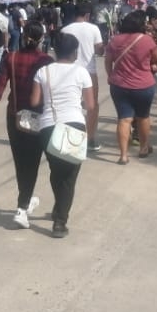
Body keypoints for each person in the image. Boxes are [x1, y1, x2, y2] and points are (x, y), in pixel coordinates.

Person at [0, 23, 52, 229]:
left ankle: (26, 200)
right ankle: (22, 207)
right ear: (41, 39)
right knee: (32, 162)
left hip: (15, 116)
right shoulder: (45, 61)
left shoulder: (11, 57)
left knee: (21, 162)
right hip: (37, 117)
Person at [30, 34, 94, 238]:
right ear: (75, 52)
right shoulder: (81, 72)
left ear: (55, 51)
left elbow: (34, 102)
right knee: (69, 176)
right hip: (74, 125)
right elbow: (91, 105)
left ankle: (59, 208)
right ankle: (60, 221)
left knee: (56, 171)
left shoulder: (43, 71)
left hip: (48, 126)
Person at [104, 9, 157, 164]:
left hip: (119, 85)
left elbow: (108, 61)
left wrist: (110, 76)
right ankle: (143, 148)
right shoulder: (147, 40)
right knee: (143, 117)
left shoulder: (114, 40)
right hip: (143, 85)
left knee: (124, 119)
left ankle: (123, 155)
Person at [62, 3, 105, 152]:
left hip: (68, 71)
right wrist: (104, 45)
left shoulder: (65, 29)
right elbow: (99, 51)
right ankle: (90, 138)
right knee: (92, 106)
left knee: (70, 104)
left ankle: (68, 138)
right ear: (88, 15)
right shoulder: (93, 28)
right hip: (88, 71)